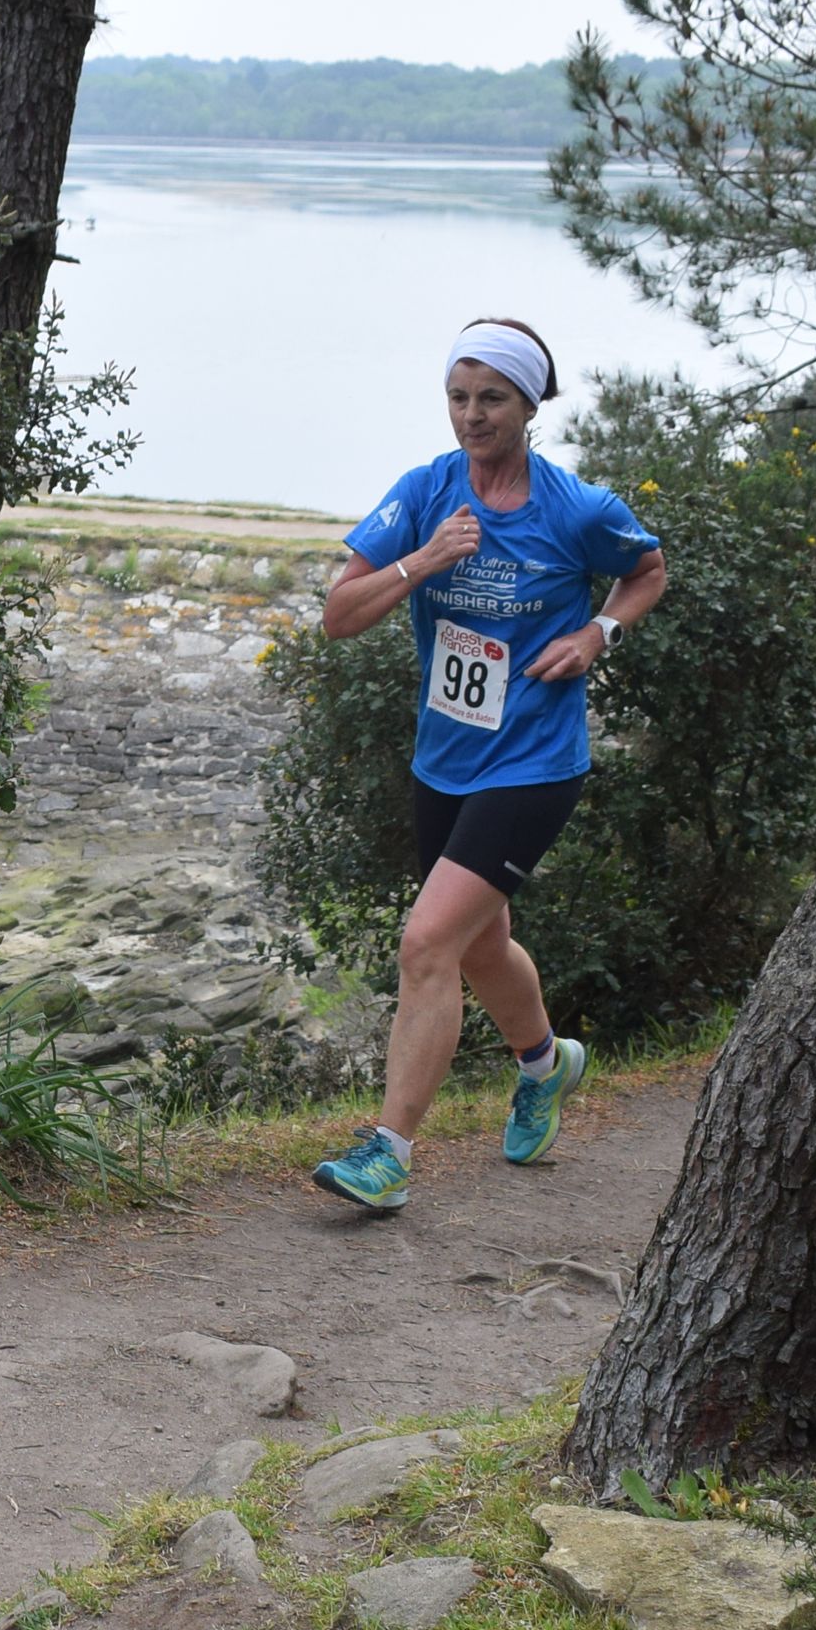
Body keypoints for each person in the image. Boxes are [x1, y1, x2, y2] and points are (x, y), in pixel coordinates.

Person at [306, 320, 667, 1214]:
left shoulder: (577, 509)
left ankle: (389, 1155)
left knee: (428, 942)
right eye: (458, 397)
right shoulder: (424, 491)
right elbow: (340, 616)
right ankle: (545, 1065)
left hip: (535, 762)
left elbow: (647, 570)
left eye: (492, 398)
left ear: (529, 405)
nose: (472, 415)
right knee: (479, 945)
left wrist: (597, 632)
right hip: (446, 757)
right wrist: (424, 559)